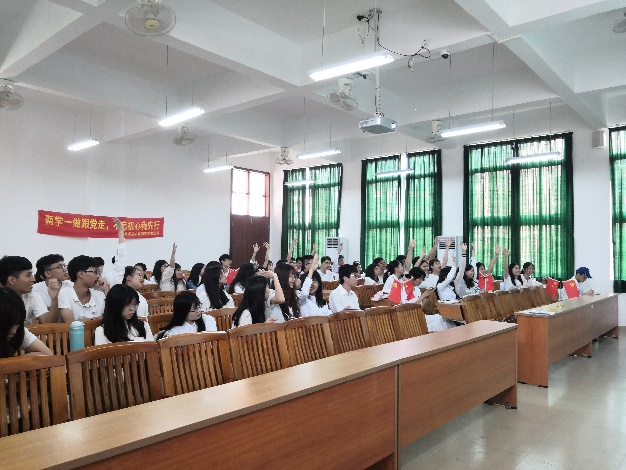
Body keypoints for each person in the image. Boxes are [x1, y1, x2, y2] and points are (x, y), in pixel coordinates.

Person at [0, 255, 55, 325]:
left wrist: (54, 299)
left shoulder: (32, 296)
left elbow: (47, 323)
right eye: (28, 275)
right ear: (12, 280)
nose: (33, 279)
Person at [0, 287, 53, 357]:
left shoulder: (19, 331)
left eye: (17, 323)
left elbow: (47, 353)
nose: (14, 331)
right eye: (9, 324)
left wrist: (13, 362)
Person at [58, 256, 106, 322]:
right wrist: (98, 319)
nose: (98, 276)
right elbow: (71, 324)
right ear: (81, 274)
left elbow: (107, 320)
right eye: (95, 272)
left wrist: (105, 290)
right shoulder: (65, 293)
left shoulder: (99, 295)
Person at [97, 217, 127, 288]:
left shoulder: (109, 278)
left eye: (101, 266)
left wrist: (121, 232)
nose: (99, 268)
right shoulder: (87, 285)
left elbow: (121, 261)